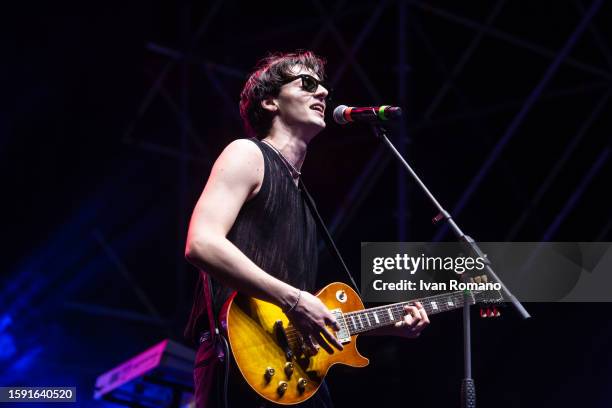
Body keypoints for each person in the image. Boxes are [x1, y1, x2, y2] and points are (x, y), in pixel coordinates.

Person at [184, 50, 430, 407]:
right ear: (270, 101)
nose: (324, 94)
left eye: (324, 87)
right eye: (308, 84)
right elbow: (201, 243)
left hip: (291, 373)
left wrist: (389, 323)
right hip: (238, 362)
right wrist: (295, 299)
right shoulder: (247, 155)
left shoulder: (302, 196)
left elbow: (303, 319)